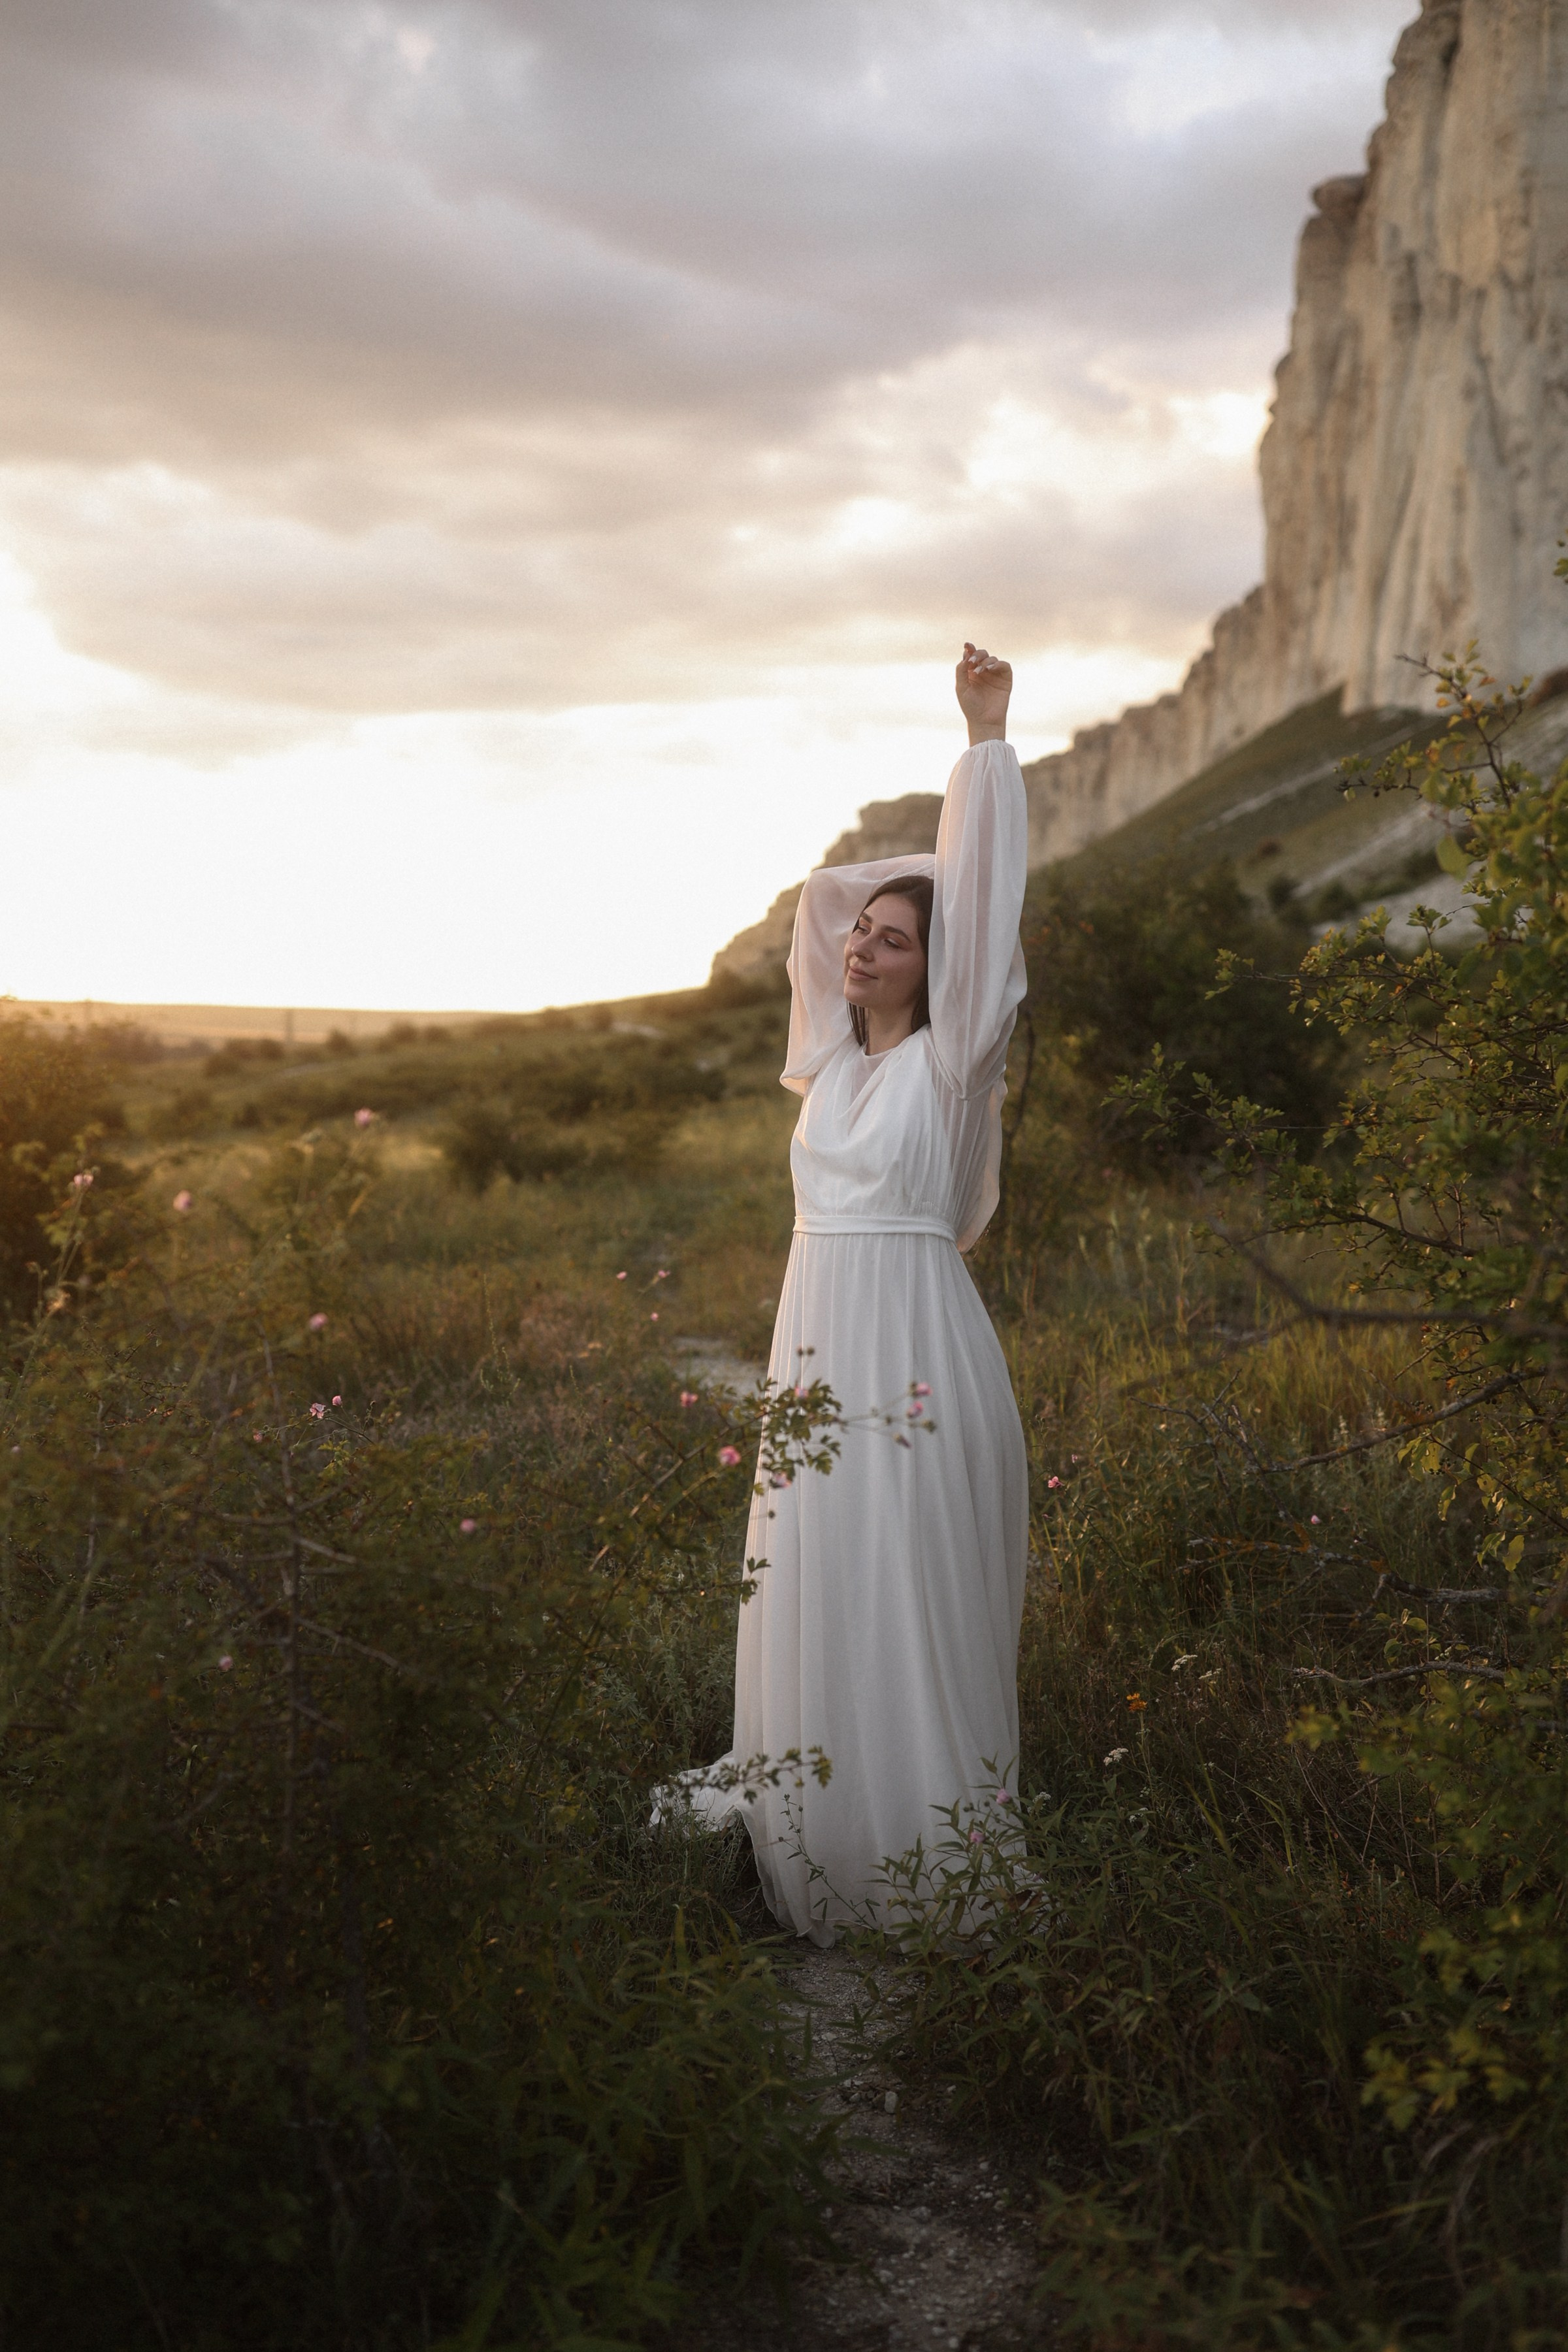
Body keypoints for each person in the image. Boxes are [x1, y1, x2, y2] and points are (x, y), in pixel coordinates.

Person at [683, 644, 1029, 1944]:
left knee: (910, 1588)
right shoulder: (828, 1073)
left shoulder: (956, 1067)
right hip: (815, 1344)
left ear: (938, 968)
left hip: (917, 1351)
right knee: (818, 1579)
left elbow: (984, 912)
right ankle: (820, 1836)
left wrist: (984, 743)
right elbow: (831, 948)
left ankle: (924, 1861)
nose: (864, 951)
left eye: (894, 941)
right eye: (860, 934)